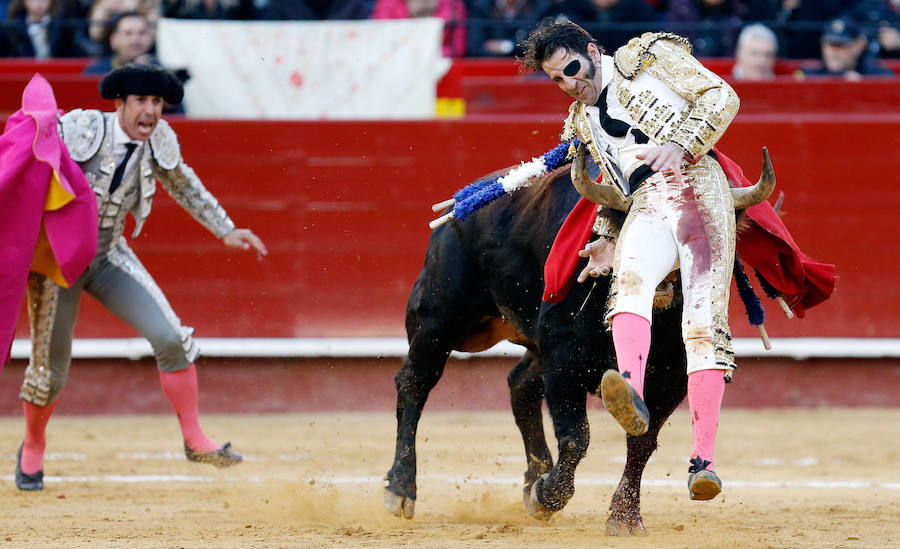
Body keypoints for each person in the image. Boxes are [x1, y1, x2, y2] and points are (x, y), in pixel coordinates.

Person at [15, 63, 268, 492]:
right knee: (48, 371)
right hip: (58, 262)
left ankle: (194, 438)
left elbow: (185, 185)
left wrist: (225, 228)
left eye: (157, 102)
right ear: (120, 104)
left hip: (108, 253)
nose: (151, 111)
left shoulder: (161, 141)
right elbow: (25, 152)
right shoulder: (79, 128)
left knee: (170, 337)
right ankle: (32, 448)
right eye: (142, 102)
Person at [520, 20, 741, 501]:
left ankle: (703, 462)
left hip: (700, 188)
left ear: (593, 51)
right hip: (645, 205)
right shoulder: (581, 124)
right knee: (630, 286)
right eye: (556, 80)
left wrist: (679, 145)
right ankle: (631, 393)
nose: (569, 85)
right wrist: (605, 236)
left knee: (701, 324)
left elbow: (722, 97)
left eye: (571, 69)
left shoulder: (647, 58)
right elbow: (613, 191)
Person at [801, 17, 895, 80]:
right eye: (829, 45)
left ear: (858, 45)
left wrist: (865, 87)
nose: (833, 52)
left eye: (840, 45)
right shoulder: (807, 76)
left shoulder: (878, 77)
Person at [371, 0, 467, 57]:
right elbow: (383, 43)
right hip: (399, 69)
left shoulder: (452, 3)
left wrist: (424, 56)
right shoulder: (388, 3)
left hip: (440, 70)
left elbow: (457, 48)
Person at [83, 11, 155, 74]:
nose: (135, 39)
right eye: (128, 33)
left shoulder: (162, 72)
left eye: (142, 33)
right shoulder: (95, 72)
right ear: (114, 40)